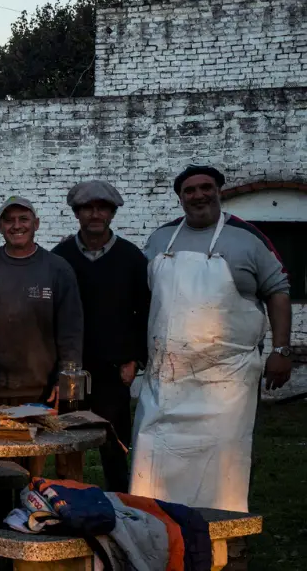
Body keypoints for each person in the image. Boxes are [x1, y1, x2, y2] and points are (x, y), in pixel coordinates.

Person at [131, 164, 292, 512]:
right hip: (166, 381)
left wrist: (281, 349)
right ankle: (156, 531)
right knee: (152, 464)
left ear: (219, 190)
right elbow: (146, 298)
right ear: (180, 198)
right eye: (190, 190)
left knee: (221, 469)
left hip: (226, 385)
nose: (199, 195)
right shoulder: (160, 239)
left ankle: (224, 539)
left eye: (206, 188)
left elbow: (278, 292)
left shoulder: (249, 238)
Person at [52, 180, 150, 492]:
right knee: (67, 442)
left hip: (113, 369)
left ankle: (121, 510)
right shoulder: (61, 256)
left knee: (114, 446)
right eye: (88, 208)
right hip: (70, 367)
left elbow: (145, 312)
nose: (95, 214)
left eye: (102, 208)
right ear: (77, 213)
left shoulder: (131, 258)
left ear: (112, 213)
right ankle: (70, 503)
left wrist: (135, 358)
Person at [0, 195, 84, 407]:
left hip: (42, 394)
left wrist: (65, 383)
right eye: (9, 220)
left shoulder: (58, 270)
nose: (17, 226)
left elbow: (71, 334)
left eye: (23, 219)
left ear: (36, 224)